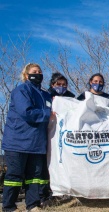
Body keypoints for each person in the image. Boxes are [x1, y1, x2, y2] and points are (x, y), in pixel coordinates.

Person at [2, 63, 52, 211]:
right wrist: (49, 114)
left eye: (40, 71)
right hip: (18, 142)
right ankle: (9, 207)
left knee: (35, 176)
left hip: (37, 143)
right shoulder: (21, 90)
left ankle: (32, 204)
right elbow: (26, 112)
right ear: (26, 75)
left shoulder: (45, 94)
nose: (38, 74)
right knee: (15, 176)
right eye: (34, 71)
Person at [39, 72, 76, 207]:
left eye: (64, 85)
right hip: (47, 135)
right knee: (46, 166)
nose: (61, 87)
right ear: (52, 85)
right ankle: (44, 195)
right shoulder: (45, 96)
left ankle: (61, 193)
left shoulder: (71, 98)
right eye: (58, 84)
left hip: (64, 137)